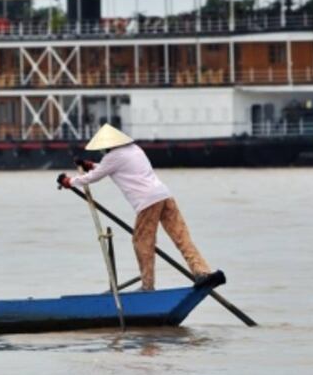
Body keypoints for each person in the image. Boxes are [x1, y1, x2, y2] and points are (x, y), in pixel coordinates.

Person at [56, 124, 211, 291]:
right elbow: (112, 168)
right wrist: (91, 165)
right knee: (181, 236)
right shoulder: (134, 149)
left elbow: (93, 177)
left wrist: (69, 181)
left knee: (142, 241)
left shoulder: (113, 157)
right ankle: (202, 272)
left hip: (147, 201)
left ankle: (147, 285)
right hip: (164, 195)